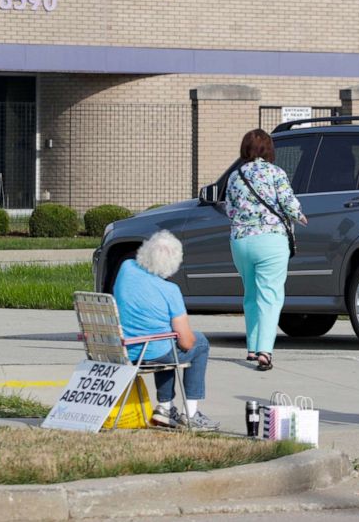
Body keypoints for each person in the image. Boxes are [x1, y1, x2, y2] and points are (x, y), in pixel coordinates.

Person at [113, 230, 220, 430]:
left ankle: (164, 408)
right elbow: (186, 343)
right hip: (151, 351)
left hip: (123, 349)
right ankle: (191, 413)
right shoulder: (170, 291)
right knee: (199, 342)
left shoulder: (125, 268)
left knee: (165, 342)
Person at [226, 128, 307, 371]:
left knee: (250, 294)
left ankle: (251, 347)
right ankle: (264, 352)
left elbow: (229, 209)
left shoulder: (235, 176)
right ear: (269, 149)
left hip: (240, 240)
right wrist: (300, 216)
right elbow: (287, 201)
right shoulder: (275, 172)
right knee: (270, 296)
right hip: (270, 239)